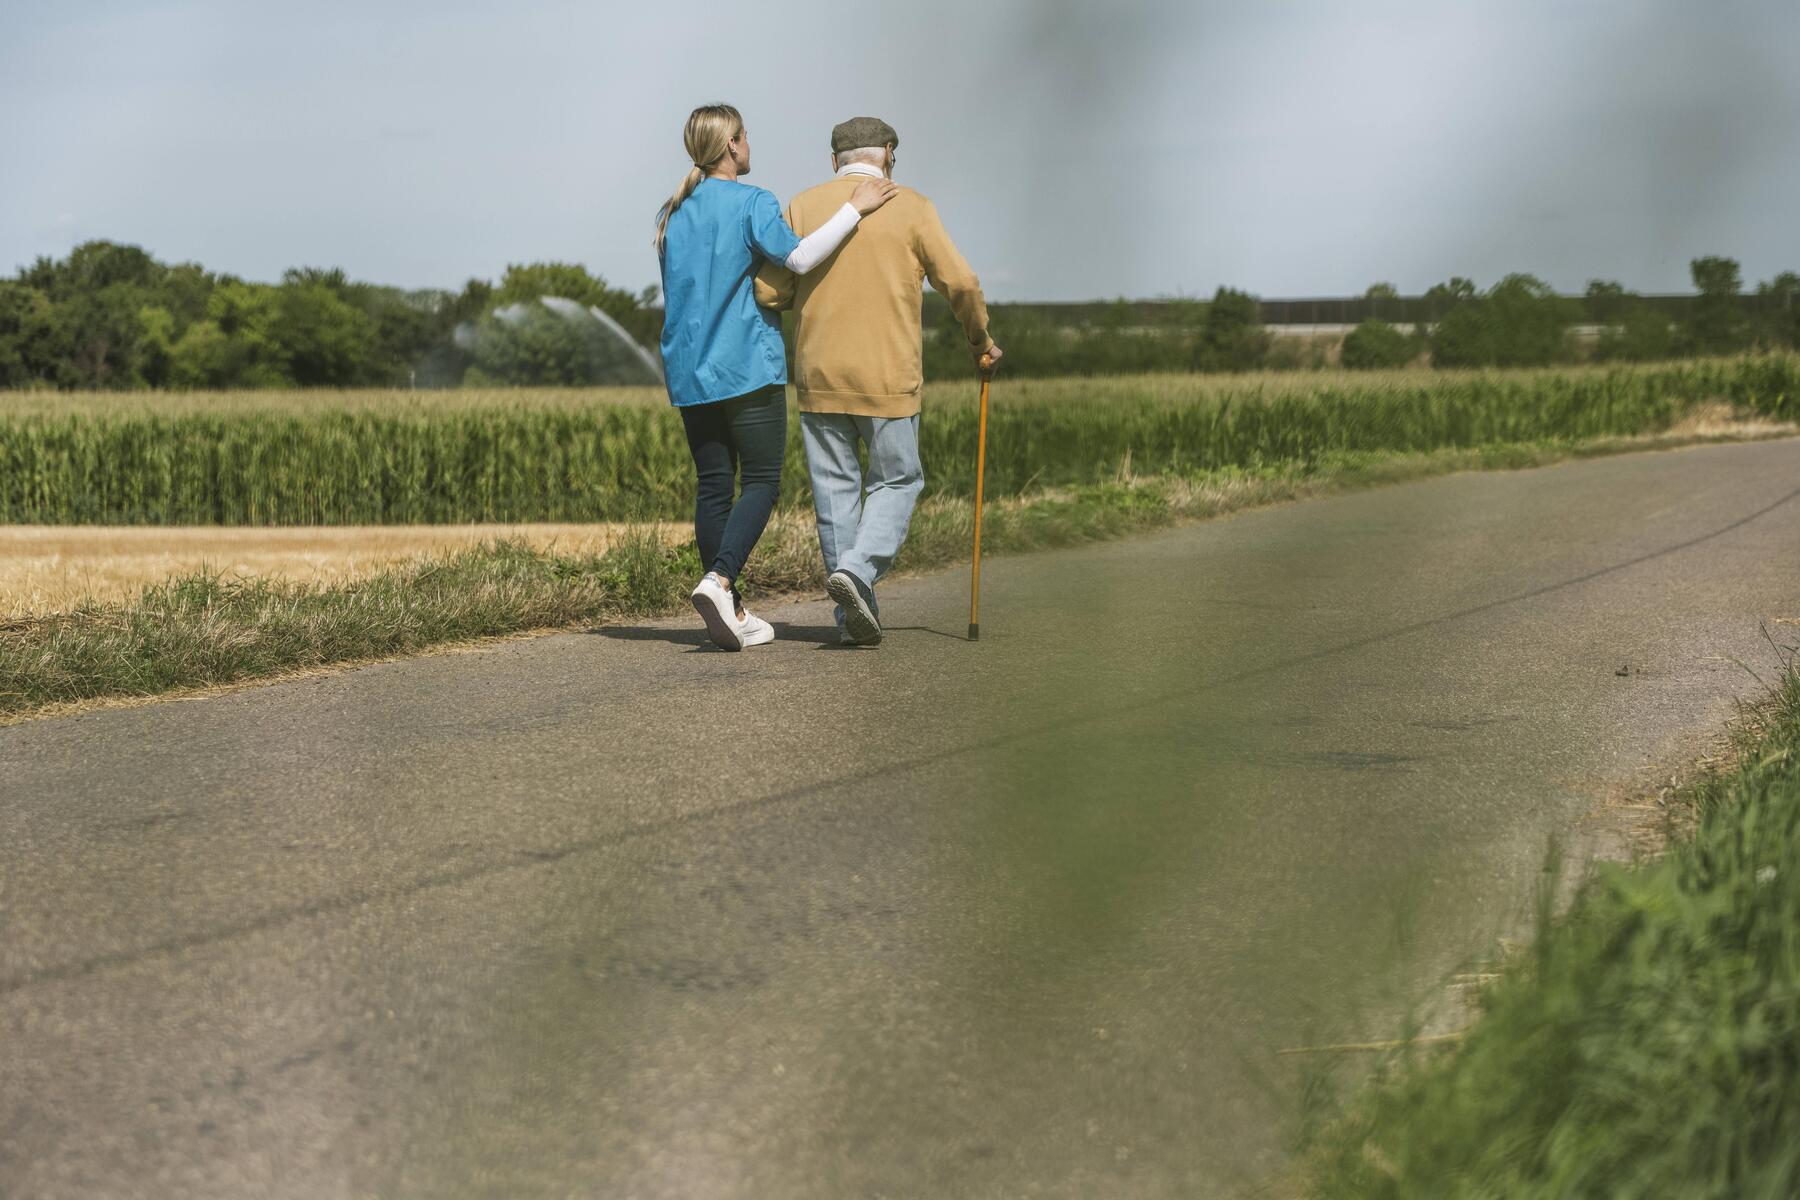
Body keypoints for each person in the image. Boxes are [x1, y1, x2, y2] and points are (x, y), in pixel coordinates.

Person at [655, 103, 898, 650]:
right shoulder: (751, 201)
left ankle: (731, 607)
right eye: (744, 135)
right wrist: (854, 209)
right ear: (731, 145)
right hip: (744, 367)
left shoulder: (671, 212)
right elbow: (799, 258)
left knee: (714, 484)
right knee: (762, 482)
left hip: (688, 371)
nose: (749, 143)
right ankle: (719, 582)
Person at [756, 117, 1001, 646]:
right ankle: (861, 572)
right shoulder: (911, 206)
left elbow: (769, 293)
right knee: (897, 481)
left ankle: (852, 623)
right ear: (889, 153)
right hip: (888, 376)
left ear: (834, 161)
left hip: (818, 375)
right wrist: (980, 342)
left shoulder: (803, 205)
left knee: (835, 494)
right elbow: (961, 282)